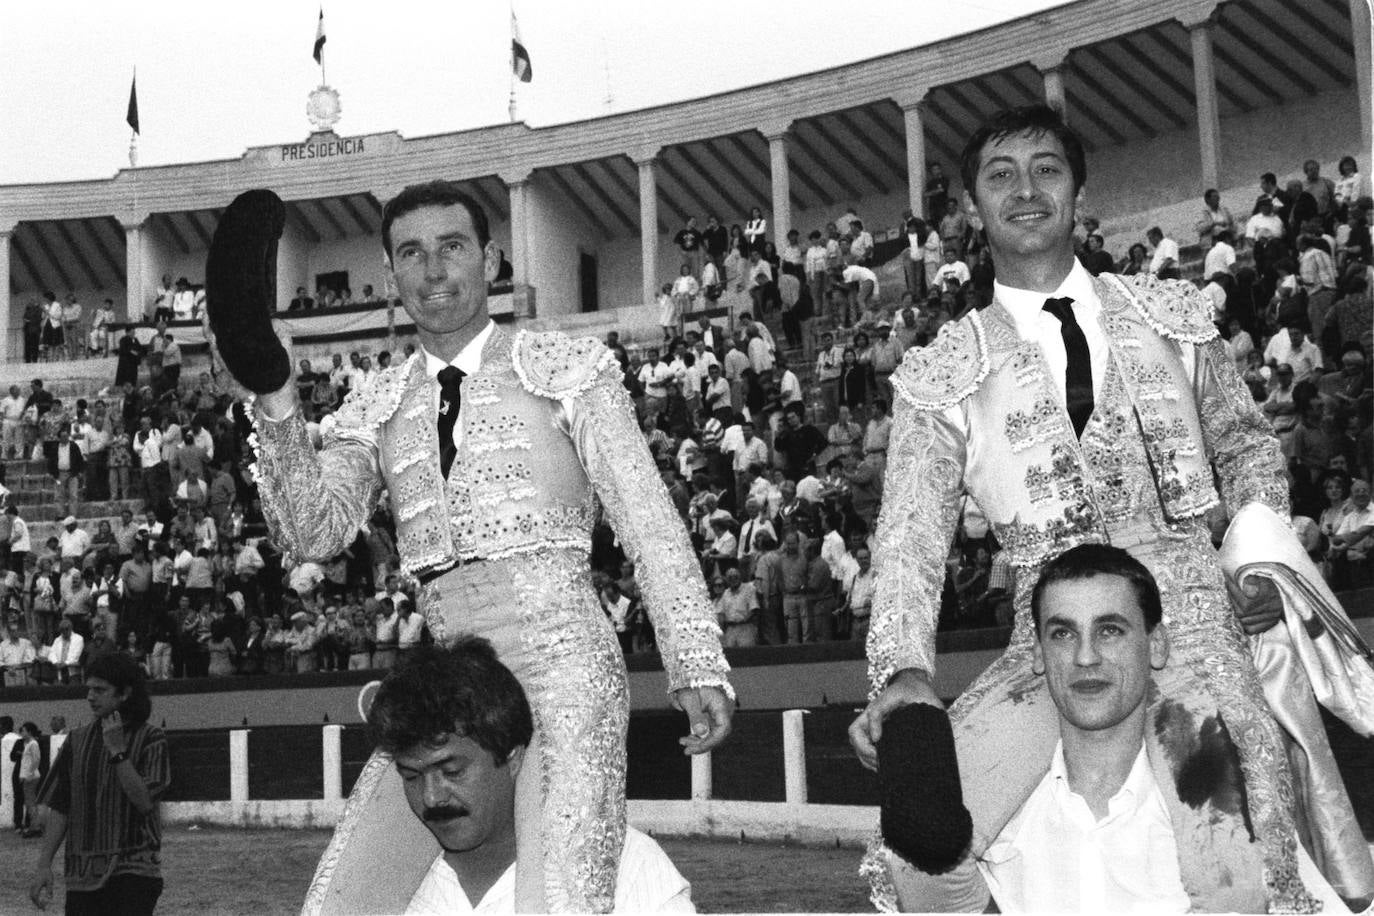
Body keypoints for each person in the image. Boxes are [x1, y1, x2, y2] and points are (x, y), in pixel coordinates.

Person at [851, 105, 1374, 912]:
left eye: (1046, 169)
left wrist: (1258, 554)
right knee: (912, 859)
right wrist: (903, 673)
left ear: (1078, 190)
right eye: (1000, 175)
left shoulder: (1172, 317)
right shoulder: (945, 368)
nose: (1025, 190)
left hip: (1193, 624)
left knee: (1241, 866)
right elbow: (912, 539)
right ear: (969, 208)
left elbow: (1246, 449)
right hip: (1050, 646)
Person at [207, 181, 732, 913]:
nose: (433, 268)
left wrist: (696, 658)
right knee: (342, 903)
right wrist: (276, 399)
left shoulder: (568, 369)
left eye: (451, 247)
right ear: (391, 279)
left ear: (489, 260)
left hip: (566, 675)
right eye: (412, 254)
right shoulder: (378, 398)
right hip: (447, 685)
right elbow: (312, 533)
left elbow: (647, 519)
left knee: (563, 903)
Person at [885, 545, 1350, 913]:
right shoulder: (987, 824)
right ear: (1036, 655)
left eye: (1110, 630)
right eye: (1062, 633)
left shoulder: (1232, 825)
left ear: (1156, 646)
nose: (1085, 657)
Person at [362, 639, 694, 914]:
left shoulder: (622, 864)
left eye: (452, 771)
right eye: (411, 777)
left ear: (513, 757)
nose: (431, 797)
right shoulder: (384, 887)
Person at [29, 652, 170, 915]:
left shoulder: (151, 738)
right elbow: (61, 806)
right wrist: (44, 865)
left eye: (100, 689)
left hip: (134, 870)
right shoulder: (77, 740)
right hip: (82, 874)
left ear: (125, 693)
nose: (90, 696)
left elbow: (144, 801)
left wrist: (118, 752)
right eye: (89, 688)